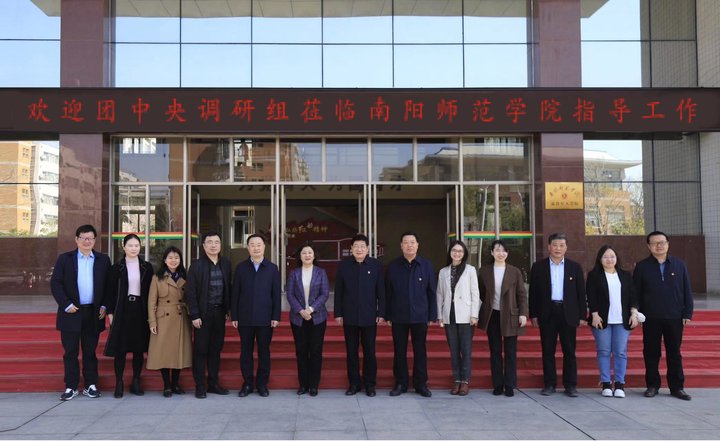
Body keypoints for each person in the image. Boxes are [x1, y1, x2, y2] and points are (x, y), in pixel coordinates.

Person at [51, 224, 111, 401]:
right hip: (71, 312)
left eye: (90, 238)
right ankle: (71, 386)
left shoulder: (103, 260)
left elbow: (109, 286)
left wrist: (105, 306)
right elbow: (56, 283)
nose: (87, 241)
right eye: (83, 238)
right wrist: (66, 304)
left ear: (95, 240)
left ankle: (90, 385)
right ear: (76, 240)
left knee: (90, 351)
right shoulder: (65, 259)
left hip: (93, 313)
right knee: (70, 351)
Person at [633, 231, 694, 401]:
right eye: (655, 243)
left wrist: (687, 312)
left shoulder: (679, 265)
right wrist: (636, 312)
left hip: (674, 316)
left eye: (662, 242)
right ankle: (652, 385)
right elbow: (635, 292)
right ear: (649, 246)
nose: (659, 246)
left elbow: (687, 290)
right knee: (651, 352)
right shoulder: (642, 267)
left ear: (668, 244)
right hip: (651, 317)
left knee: (674, 353)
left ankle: (677, 387)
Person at [528, 233, 587, 397]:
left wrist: (582, 315)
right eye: (555, 245)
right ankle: (549, 384)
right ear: (549, 247)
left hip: (568, 313)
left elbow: (580, 293)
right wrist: (533, 314)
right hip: (547, 312)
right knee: (548, 351)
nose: (558, 248)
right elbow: (533, 293)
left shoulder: (574, 267)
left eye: (561, 245)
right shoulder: (538, 267)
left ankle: (570, 385)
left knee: (569, 351)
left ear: (566, 248)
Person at [385, 232, 437, 398]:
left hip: (420, 315)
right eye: (406, 242)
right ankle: (401, 383)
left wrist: (432, 315)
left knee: (420, 350)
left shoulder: (426, 265)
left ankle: (420, 384)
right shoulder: (393, 266)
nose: (409, 245)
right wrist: (387, 315)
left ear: (417, 245)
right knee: (399, 351)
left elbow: (431, 292)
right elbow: (388, 292)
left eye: (412, 242)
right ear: (401, 246)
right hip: (398, 315)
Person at [334, 233, 386, 397]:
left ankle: (370, 385)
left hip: (369, 316)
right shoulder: (344, 266)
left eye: (362, 246)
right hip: (349, 316)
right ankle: (354, 384)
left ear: (368, 249)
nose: (359, 249)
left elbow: (381, 291)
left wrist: (381, 312)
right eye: (356, 246)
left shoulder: (376, 265)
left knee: (370, 352)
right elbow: (339, 291)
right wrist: (338, 313)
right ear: (351, 248)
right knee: (351, 352)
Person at [104, 234, 154, 398]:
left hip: (140, 309)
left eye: (136, 245)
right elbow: (110, 292)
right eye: (130, 245)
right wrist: (110, 313)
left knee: (139, 349)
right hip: (122, 309)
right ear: (123, 247)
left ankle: (136, 381)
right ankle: (119, 382)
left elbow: (151, 291)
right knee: (121, 349)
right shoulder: (116, 268)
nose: (133, 248)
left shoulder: (147, 267)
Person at [586, 244, 639, 398]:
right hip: (602, 320)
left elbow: (633, 296)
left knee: (620, 352)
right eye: (605, 257)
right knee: (603, 351)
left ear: (616, 258)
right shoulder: (594, 275)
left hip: (622, 320)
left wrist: (634, 313)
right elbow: (591, 296)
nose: (609, 259)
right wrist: (594, 314)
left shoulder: (625, 275)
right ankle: (606, 384)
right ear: (600, 259)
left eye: (612, 256)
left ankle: (620, 384)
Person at [232, 234, 281, 398]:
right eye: (252, 245)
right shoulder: (241, 268)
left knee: (264, 352)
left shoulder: (272, 268)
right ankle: (247, 383)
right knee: (245, 352)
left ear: (264, 247)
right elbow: (236, 293)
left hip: (265, 318)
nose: (256, 248)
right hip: (245, 317)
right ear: (248, 248)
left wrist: (276, 316)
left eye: (259, 244)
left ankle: (262, 384)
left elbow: (276, 295)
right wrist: (234, 316)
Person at [477, 239, 528, 397]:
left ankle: (510, 385)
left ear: (507, 253)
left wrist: (523, 313)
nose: (501, 253)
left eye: (504, 250)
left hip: (510, 314)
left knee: (511, 352)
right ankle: (498, 384)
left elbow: (521, 295)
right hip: (492, 315)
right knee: (495, 351)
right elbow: (480, 293)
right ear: (492, 252)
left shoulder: (514, 271)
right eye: (497, 250)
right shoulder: (484, 271)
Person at [185, 231, 232, 399]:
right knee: (200, 350)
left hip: (220, 312)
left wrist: (228, 310)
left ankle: (213, 383)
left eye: (216, 242)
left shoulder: (226, 264)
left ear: (220, 245)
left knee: (215, 349)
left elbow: (229, 288)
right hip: (203, 314)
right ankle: (200, 386)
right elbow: (190, 292)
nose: (213, 245)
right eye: (209, 242)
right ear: (203, 246)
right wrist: (194, 315)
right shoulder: (196, 266)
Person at [146, 246, 193, 397]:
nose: (174, 260)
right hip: (163, 319)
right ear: (165, 260)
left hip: (181, 317)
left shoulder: (185, 277)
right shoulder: (157, 277)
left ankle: (175, 384)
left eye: (177, 258)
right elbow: (151, 302)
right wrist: (152, 322)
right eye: (170, 258)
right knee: (164, 352)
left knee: (179, 351)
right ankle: (166, 385)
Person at [436, 240, 480, 396]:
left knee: (465, 350)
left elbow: (475, 293)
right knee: (454, 350)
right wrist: (440, 315)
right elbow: (440, 294)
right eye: (454, 250)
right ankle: (456, 380)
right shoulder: (443, 272)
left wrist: (474, 314)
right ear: (450, 252)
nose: (457, 253)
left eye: (460, 251)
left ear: (464, 254)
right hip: (449, 314)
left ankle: (465, 381)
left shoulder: (470, 270)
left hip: (466, 315)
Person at [286, 242, 330, 397]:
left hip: (317, 318)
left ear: (314, 255)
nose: (307, 255)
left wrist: (310, 309)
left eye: (310, 252)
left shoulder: (321, 272)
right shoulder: (294, 273)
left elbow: (324, 294)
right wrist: (301, 311)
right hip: (298, 318)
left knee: (316, 351)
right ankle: (303, 384)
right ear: (300, 256)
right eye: (304, 253)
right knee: (301, 351)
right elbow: (290, 294)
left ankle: (313, 385)